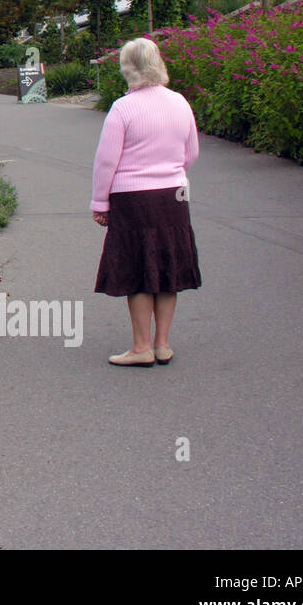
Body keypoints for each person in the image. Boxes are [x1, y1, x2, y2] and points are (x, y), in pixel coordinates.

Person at [91, 37, 201, 368]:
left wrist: (100, 202)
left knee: (138, 270)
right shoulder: (180, 102)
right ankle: (162, 344)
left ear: (128, 68)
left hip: (132, 199)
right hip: (173, 197)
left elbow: (106, 161)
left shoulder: (123, 108)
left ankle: (141, 348)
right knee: (168, 267)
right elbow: (191, 152)